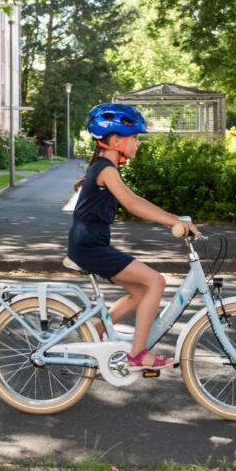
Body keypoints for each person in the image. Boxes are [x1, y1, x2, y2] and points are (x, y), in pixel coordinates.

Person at [67, 103, 200, 370]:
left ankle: (96, 330)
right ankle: (138, 355)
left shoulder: (105, 168)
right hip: (89, 247)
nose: (138, 143)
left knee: (141, 291)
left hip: (90, 244)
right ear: (115, 140)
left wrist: (176, 218)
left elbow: (137, 200)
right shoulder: (105, 169)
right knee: (156, 282)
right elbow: (133, 204)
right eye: (135, 137)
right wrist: (174, 221)